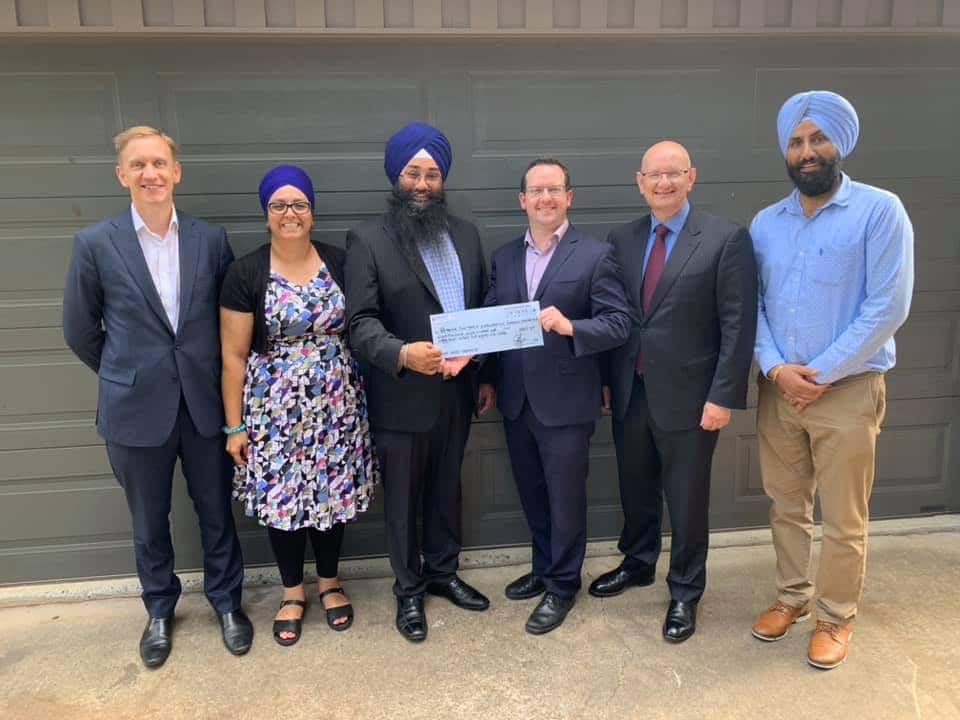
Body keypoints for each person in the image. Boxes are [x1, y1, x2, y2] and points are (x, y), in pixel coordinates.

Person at [62, 125, 250, 668]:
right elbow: (79, 329)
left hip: (203, 405)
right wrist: (126, 373)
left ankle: (227, 603)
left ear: (177, 171)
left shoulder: (210, 240)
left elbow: (229, 322)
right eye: (139, 165)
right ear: (122, 175)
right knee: (149, 518)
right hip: (134, 408)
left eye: (160, 164)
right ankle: (160, 610)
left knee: (215, 510)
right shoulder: (95, 244)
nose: (151, 174)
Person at [749, 91, 913, 669]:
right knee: (786, 505)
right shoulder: (767, 223)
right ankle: (791, 598)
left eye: (819, 138)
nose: (807, 151)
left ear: (841, 142)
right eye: (796, 141)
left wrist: (820, 373)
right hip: (779, 390)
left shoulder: (879, 210)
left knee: (844, 517)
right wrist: (775, 368)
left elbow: (887, 306)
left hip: (845, 391)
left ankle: (836, 616)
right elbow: (756, 308)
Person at [590, 141, 758, 643]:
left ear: (691, 177)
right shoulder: (621, 239)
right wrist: (605, 381)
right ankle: (638, 561)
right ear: (639, 182)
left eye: (673, 174)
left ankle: (685, 589)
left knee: (686, 501)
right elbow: (613, 317)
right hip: (630, 391)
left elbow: (737, 323)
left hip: (692, 398)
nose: (663, 184)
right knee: (635, 488)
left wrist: (723, 395)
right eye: (654, 175)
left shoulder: (726, 239)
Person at [344, 122, 493, 642]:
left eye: (432, 173)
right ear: (396, 177)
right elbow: (359, 322)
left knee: (447, 490)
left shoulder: (467, 235)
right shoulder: (368, 238)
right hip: (401, 394)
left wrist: (483, 370)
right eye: (413, 172)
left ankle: (443, 573)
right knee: (404, 500)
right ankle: (407, 590)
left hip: (457, 391)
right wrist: (402, 353)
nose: (423, 183)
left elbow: (485, 308)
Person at [219, 165, 379, 646]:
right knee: (283, 501)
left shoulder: (340, 261)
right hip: (274, 410)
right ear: (266, 213)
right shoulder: (245, 271)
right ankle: (292, 592)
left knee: (330, 497)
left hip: (337, 404)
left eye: (299, 204)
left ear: (312, 211)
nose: (290, 214)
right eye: (279, 205)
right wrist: (234, 427)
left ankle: (329, 582)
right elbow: (232, 354)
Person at [480, 158, 630, 634]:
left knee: (566, 498)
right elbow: (490, 320)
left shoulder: (595, 255)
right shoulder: (503, 256)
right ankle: (544, 568)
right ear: (522, 200)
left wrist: (570, 327)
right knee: (533, 494)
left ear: (569, 196)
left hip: (567, 401)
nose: (545, 198)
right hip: (516, 399)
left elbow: (618, 323)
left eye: (554, 189)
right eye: (536, 191)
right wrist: (471, 360)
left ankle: (564, 585)